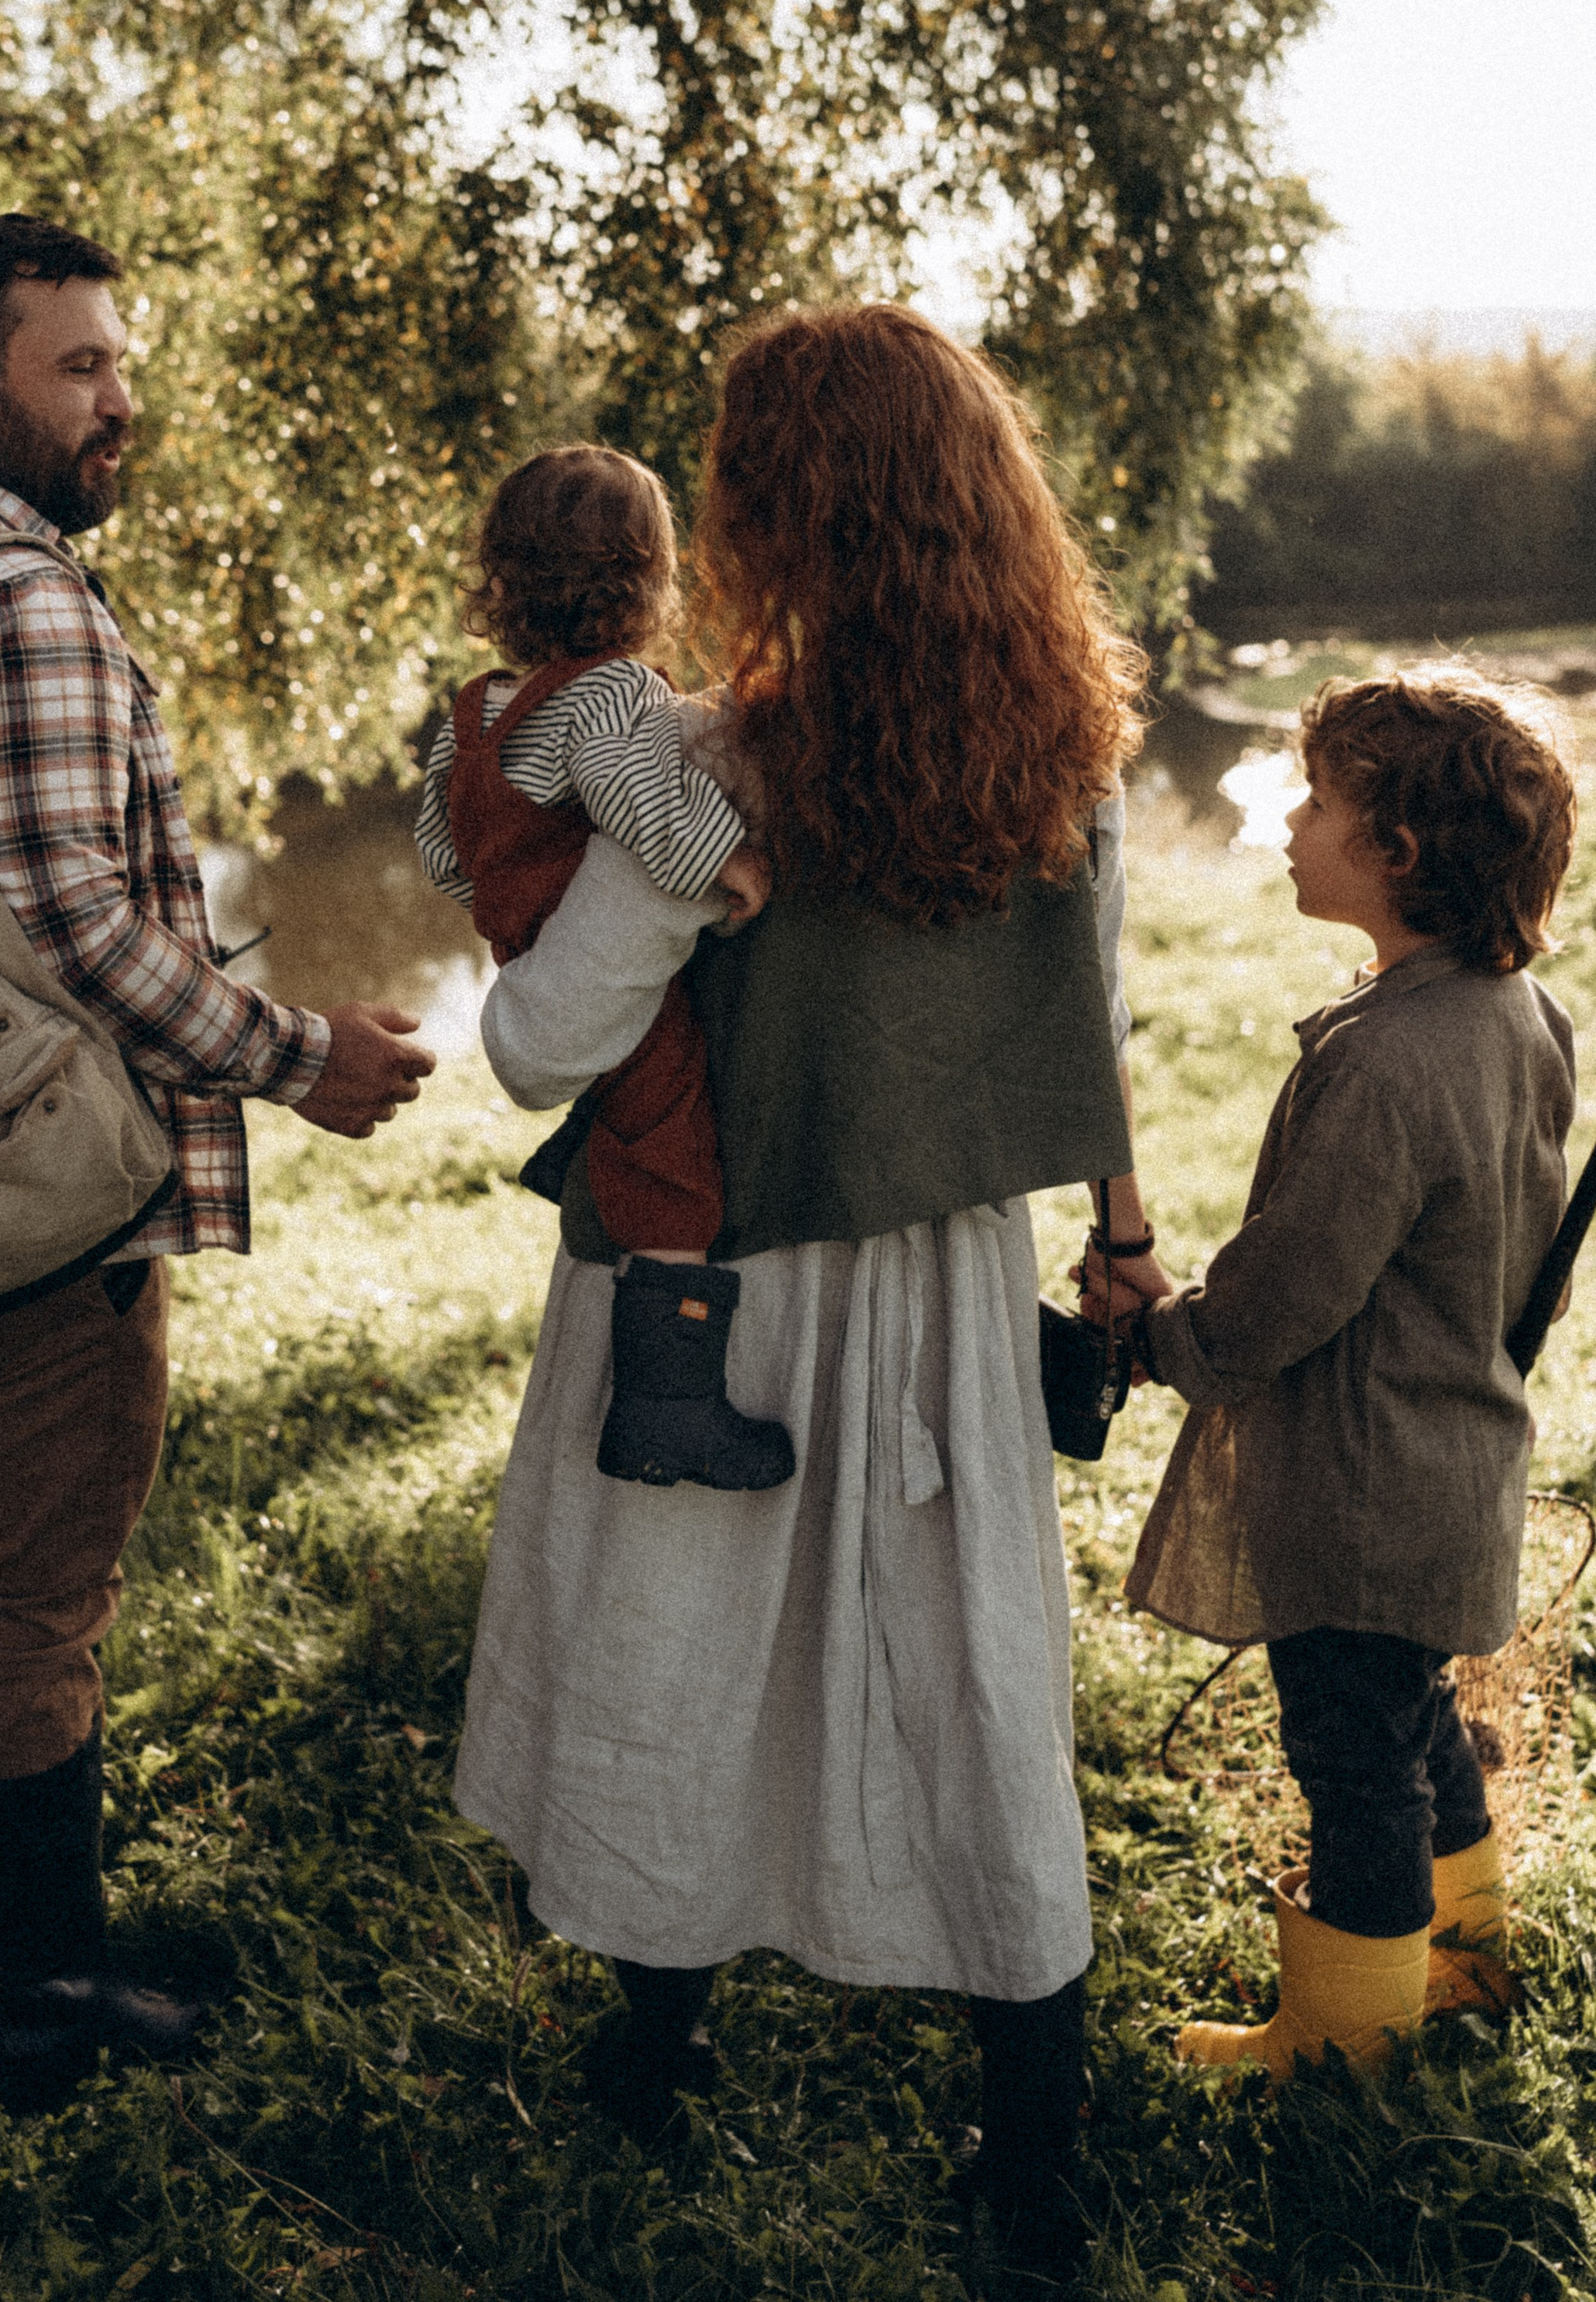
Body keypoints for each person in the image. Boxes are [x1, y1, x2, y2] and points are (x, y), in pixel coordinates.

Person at [452, 302, 1161, 2287]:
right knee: (966, 1672)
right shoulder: (1067, 759)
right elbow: (1088, 1031)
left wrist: (624, 881)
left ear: (771, 512)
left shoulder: (695, 758)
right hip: (938, 1277)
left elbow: (535, 1043)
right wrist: (1116, 1232)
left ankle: (655, 2041)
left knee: (680, 1644)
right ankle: (1029, 2150)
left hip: (719, 1281)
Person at [0, 212, 434, 2062]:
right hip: (9, 1208)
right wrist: (296, 1057)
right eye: (79, 368)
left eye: (121, 361)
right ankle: (35, 1996)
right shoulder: (11, 591)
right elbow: (81, 934)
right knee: (25, 1595)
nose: (122, 401)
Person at [1119, 669, 1577, 2079]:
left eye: (1319, 803)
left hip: (1367, 1483)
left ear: (1400, 854)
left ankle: (1348, 2040)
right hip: (1450, 1460)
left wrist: (1164, 1333)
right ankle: (1464, 1954)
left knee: (1352, 1760)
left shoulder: (1389, 1060)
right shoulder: (1520, 1014)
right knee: (1409, 1708)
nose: (1288, 822)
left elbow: (1296, 1283)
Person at [415, 444, 789, 1491]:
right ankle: (671, 1408)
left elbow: (444, 854)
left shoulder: (477, 711)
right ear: (646, 577)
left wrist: (516, 906)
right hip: (601, 970)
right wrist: (730, 860)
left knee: (630, 1134)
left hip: (529, 952)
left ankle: (650, 1363)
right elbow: (638, 803)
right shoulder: (612, 695)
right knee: (676, 1151)